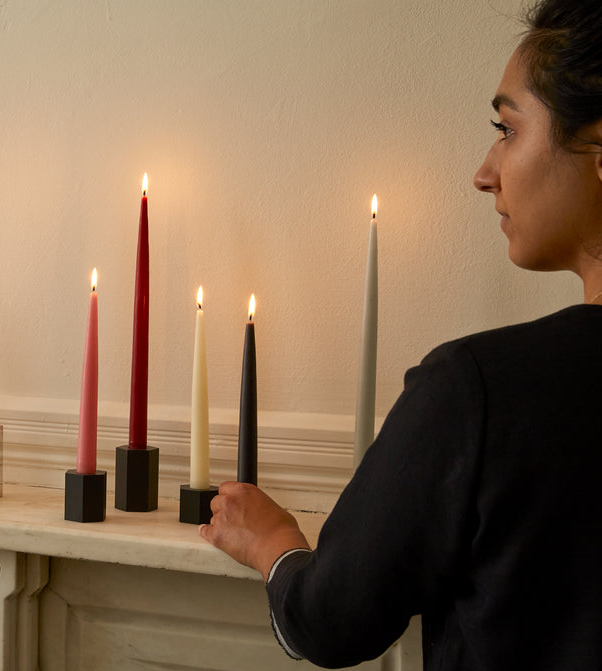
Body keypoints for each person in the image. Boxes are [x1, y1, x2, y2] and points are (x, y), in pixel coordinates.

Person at [199, 1, 602, 668]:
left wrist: (275, 544)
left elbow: (328, 620)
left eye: (507, 129)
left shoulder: (480, 392)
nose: (484, 171)